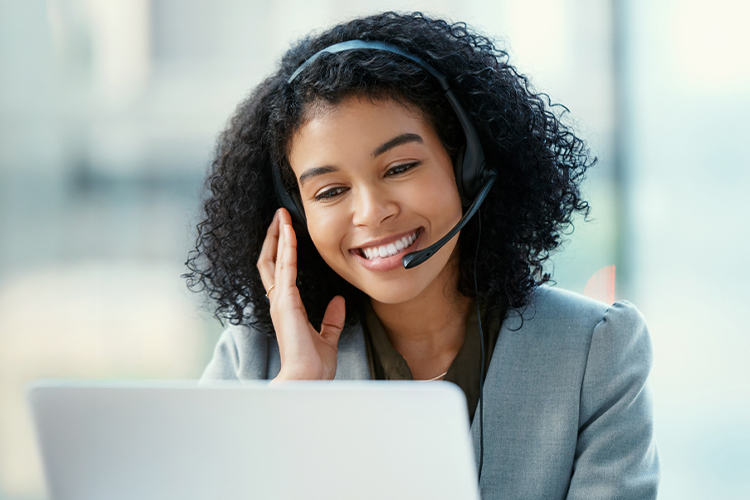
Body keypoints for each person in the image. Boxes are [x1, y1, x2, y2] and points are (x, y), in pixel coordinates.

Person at [185, 11, 659, 499]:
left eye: (401, 167)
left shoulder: (593, 350)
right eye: (330, 191)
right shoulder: (257, 361)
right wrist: (296, 395)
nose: (371, 213)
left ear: (468, 166)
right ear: (296, 215)